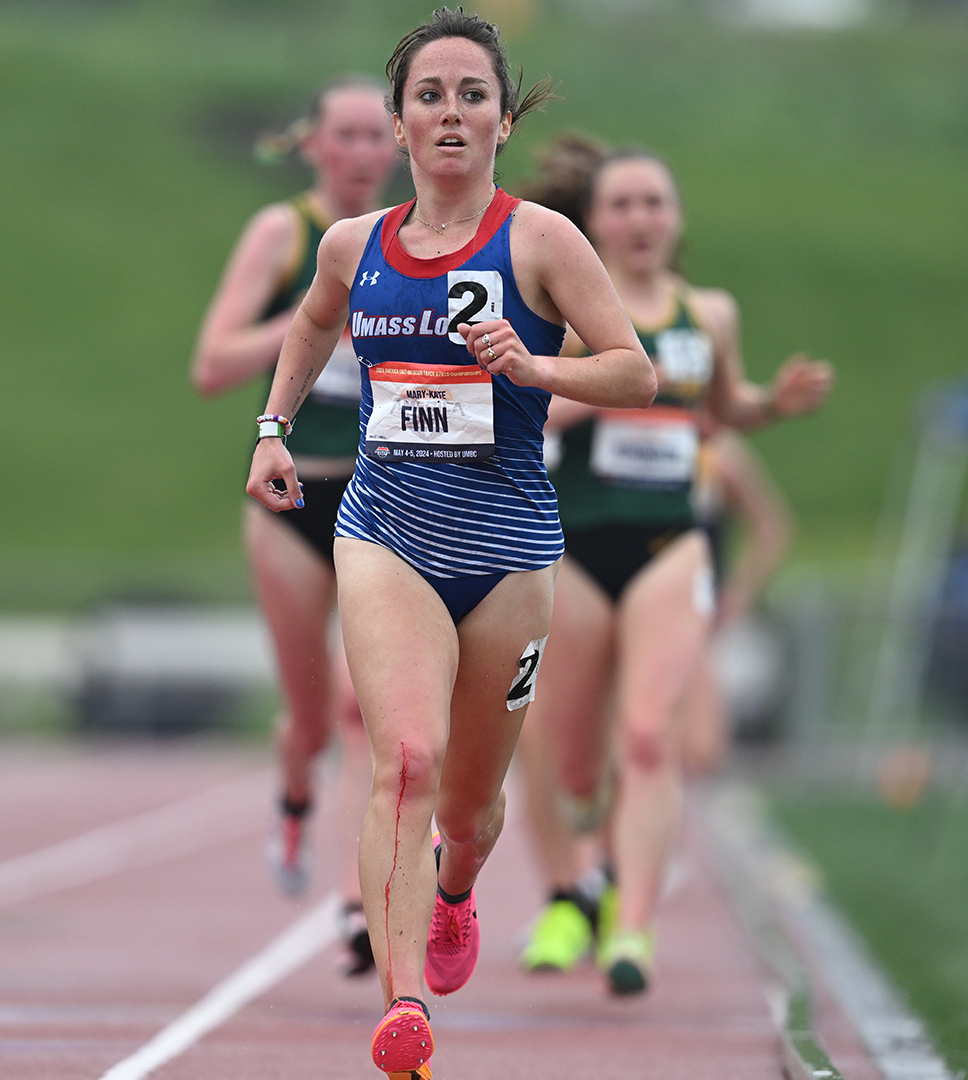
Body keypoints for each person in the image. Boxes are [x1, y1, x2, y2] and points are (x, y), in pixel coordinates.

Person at [246, 11, 657, 1077]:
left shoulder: (541, 242)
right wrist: (272, 430)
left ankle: (459, 891)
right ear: (397, 121)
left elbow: (635, 372)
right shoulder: (354, 246)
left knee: (469, 810)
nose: (451, 113)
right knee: (408, 760)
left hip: (512, 551)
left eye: (473, 94)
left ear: (504, 120)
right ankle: (404, 1006)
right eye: (429, 94)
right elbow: (308, 324)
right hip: (385, 532)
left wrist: (535, 367)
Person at [509, 136, 832, 995]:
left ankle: (633, 928)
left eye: (655, 202)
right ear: (595, 222)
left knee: (649, 735)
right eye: (622, 204)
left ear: (677, 217)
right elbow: (525, 420)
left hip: (670, 543)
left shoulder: (709, 315)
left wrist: (775, 404)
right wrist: (585, 385)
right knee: (571, 762)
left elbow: (723, 412)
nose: (641, 218)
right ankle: (573, 890)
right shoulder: (571, 314)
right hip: (574, 548)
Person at [190, 75, 397, 972]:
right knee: (313, 719)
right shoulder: (285, 233)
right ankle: (292, 794)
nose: (359, 153)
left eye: (372, 137)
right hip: (291, 501)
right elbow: (211, 364)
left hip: (380, 499)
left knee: (362, 709)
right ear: (311, 145)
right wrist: (316, 313)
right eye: (342, 136)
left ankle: (356, 906)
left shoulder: (411, 240)